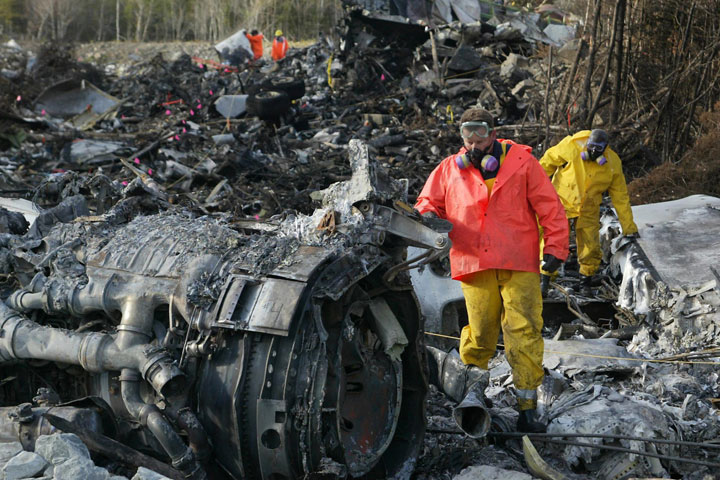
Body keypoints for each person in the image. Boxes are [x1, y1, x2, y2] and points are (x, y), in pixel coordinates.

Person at [415, 108, 569, 433]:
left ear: (493, 131)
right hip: (474, 263)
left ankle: (528, 408)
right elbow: (427, 202)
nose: (473, 140)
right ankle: (472, 399)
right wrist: (429, 218)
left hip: (519, 262)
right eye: (466, 133)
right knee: (481, 334)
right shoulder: (448, 171)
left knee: (524, 331)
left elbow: (550, 206)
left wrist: (555, 249)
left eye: (479, 131)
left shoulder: (522, 162)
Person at [539, 129, 638, 295]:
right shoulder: (571, 147)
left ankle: (585, 280)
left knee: (590, 245)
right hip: (562, 201)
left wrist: (629, 227)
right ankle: (545, 278)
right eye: (591, 147)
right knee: (552, 241)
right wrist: (536, 189)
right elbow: (545, 164)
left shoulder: (612, 164)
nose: (593, 152)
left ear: (605, 149)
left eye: (598, 149)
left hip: (589, 207)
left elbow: (620, 196)